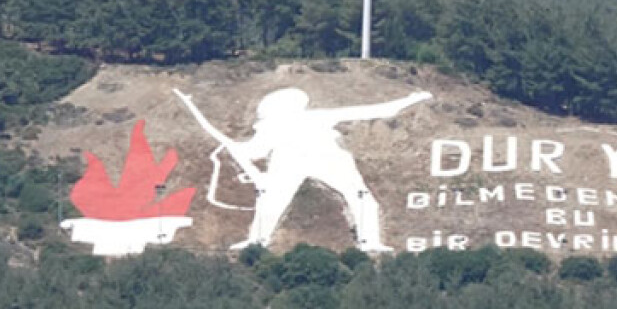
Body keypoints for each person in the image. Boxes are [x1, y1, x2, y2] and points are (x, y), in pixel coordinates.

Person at [178, 87, 432, 252]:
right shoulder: (283, 124)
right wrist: (410, 99)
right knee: (272, 203)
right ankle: (257, 241)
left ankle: (257, 242)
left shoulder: (286, 123)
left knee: (358, 197)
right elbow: (377, 110)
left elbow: (251, 153)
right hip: (293, 161)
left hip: (325, 158)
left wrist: (234, 147)